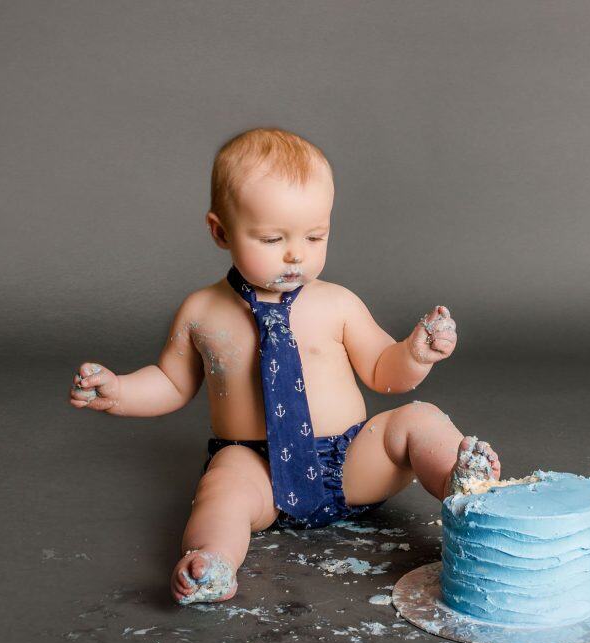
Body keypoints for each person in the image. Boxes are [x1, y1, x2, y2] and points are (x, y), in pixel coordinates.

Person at [69, 128, 501, 604]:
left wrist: (415, 355)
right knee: (222, 488)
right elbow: (172, 382)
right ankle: (213, 561)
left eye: (315, 236)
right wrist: (120, 393)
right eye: (272, 238)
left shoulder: (337, 303)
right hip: (257, 467)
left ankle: (464, 485)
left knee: (420, 419)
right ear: (220, 231)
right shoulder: (202, 312)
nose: (296, 254)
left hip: (351, 462)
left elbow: (383, 371)